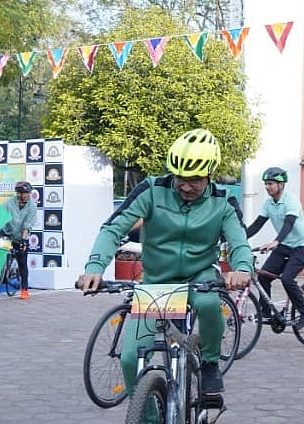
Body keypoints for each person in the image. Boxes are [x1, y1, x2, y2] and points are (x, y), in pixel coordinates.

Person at [77, 128, 252, 397]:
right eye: (180, 178)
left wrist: (241, 269)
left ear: (209, 174)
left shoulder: (223, 201)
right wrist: (94, 268)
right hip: (157, 283)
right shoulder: (152, 190)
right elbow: (113, 229)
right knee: (129, 359)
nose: (185, 186)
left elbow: (239, 242)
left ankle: (209, 364)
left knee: (209, 303)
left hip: (199, 277)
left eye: (194, 180)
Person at [245, 167, 304, 328]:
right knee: (263, 277)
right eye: (265, 184)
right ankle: (266, 312)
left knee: (287, 278)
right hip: (284, 246)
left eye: (270, 183)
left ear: (281, 185)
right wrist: (238, 240)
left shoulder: (291, 200)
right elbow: (256, 225)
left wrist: (276, 242)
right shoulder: (268, 203)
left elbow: (289, 223)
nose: (267, 187)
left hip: (302, 246)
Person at [1, 181, 37, 300]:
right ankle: (0, 277)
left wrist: (23, 240)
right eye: (26, 193)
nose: (28, 195)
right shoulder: (9, 203)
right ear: (19, 194)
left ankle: (24, 289)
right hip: (7, 235)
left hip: (21, 236)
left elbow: (28, 224)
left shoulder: (32, 206)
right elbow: (1, 216)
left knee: (22, 262)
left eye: (29, 193)